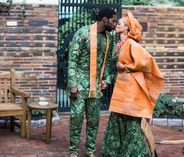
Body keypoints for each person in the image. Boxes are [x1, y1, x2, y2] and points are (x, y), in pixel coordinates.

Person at [101, 12, 164, 157]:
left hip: (130, 89)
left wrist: (126, 67)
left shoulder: (131, 44)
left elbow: (147, 61)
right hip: (121, 87)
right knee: (118, 118)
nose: (116, 25)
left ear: (127, 29)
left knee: (129, 120)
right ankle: (116, 152)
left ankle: (132, 153)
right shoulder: (120, 44)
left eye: (120, 24)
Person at [67, 8, 117, 157]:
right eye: (113, 20)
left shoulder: (109, 38)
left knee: (94, 121)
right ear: (105, 19)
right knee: (76, 119)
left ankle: (90, 150)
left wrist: (106, 80)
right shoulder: (83, 33)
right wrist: (73, 83)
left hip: (96, 87)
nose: (115, 24)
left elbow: (107, 62)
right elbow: (72, 60)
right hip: (80, 86)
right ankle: (74, 151)